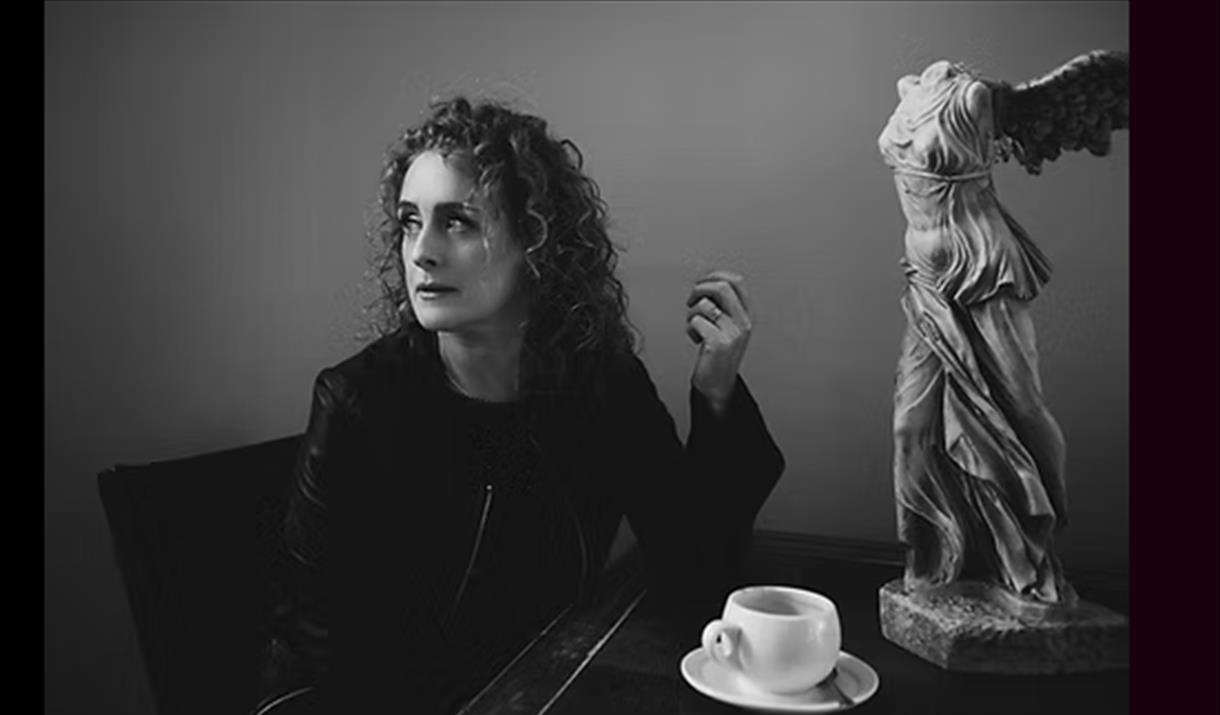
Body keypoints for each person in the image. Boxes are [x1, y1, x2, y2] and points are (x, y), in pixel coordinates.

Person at [253, 96, 786, 714]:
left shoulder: (600, 383)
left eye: (457, 221)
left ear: (535, 239)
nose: (421, 251)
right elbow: (310, 664)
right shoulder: (358, 405)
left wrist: (716, 392)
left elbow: (693, 565)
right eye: (409, 221)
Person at [877, 60, 1075, 609]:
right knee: (910, 424)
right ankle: (935, 557)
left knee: (1021, 405)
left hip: (981, 264)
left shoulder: (972, 99)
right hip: (925, 274)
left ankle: (1041, 534)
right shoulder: (908, 89)